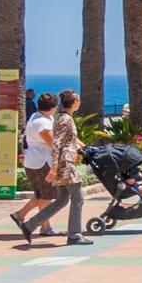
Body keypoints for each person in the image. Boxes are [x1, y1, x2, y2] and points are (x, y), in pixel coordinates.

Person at [15, 90, 91, 245]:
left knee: (62, 199)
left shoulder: (62, 118)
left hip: (64, 162)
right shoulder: (64, 119)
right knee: (78, 198)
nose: (80, 102)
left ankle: (29, 225)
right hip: (65, 164)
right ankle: (74, 235)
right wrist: (55, 167)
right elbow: (56, 144)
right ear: (74, 102)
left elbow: (68, 140)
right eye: (78, 99)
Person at [11, 92, 60, 236]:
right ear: (53, 107)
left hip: (34, 161)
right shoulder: (42, 122)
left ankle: (20, 214)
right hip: (41, 163)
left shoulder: (39, 117)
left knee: (40, 195)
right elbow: (52, 143)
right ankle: (45, 227)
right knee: (46, 196)